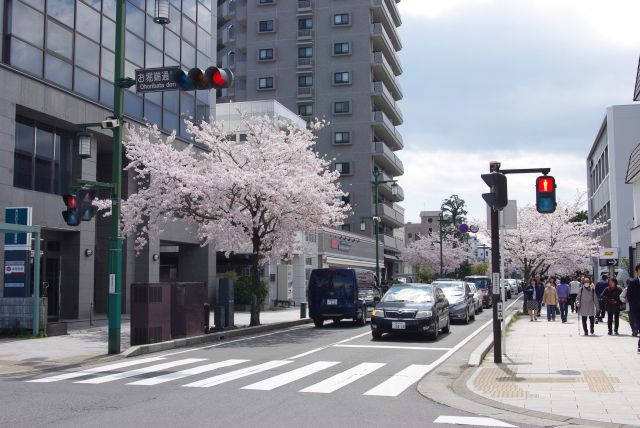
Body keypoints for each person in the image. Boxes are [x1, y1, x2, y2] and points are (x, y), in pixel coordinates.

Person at [626, 264, 640, 351]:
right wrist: (633, 306)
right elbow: (629, 295)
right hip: (637, 309)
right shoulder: (633, 282)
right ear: (637, 272)